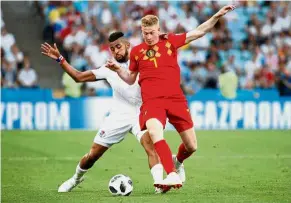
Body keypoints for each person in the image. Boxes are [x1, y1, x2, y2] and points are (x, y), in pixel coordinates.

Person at [106, 5, 236, 190]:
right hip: (152, 102)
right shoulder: (137, 52)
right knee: (154, 131)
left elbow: (199, 32)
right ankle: (172, 174)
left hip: (175, 99)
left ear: (158, 30)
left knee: (191, 146)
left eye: (151, 32)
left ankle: (178, 161)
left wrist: (216, 16)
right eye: (145, 33)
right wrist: (118, 69)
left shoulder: (170, 41)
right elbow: (130, 78)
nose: (148, 37)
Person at [41, 32, 165, 193]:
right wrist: (60, 59)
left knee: (151, 148)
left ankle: (159, 184)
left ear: (128, 45)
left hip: (141, 114)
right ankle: (75, 179)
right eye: (112, 49)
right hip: (118, 117)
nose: (115, 51)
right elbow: (78, 77)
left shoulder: (144, 63)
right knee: (93, 155)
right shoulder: (109, 69)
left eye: (118, 47)